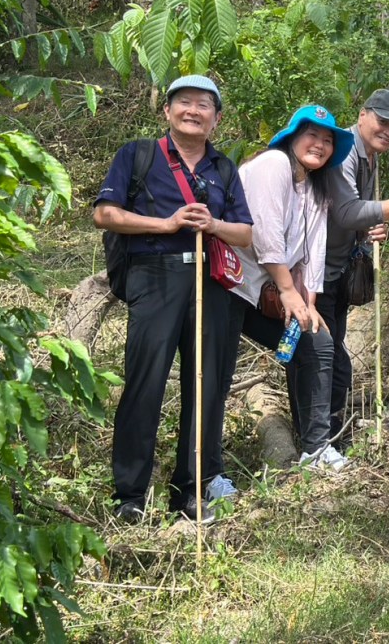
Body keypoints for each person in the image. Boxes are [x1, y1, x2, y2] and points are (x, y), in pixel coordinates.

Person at [94, 75, 254, 524]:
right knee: (145, 381)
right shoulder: (137, 155)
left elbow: (245, 233)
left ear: (216, 118)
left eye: (204, 105)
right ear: (167, 110)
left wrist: (213, 225)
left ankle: (191, 489)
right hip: (155, 276)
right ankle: (130, 495)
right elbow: (104, 214)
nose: (193, 111)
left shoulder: (224, 169)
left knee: (206, 385)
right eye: (184, 102)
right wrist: (166, 224)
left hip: (210, 281)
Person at [228, 105, 355, 471]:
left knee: (318, 342)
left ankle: (316, 448)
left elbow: (314, 252)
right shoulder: (273, 164)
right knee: (217, 368)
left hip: (268, 293)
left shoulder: (315, 189)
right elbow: (265, 232)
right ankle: (207, 469)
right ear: (292, 138)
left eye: (328, 140)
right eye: (311, 135)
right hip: (233, 286)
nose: (320, 145)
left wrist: (308, 303)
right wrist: (287, 290)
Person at [321, 89, 389, 436]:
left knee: (331, 359)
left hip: (337, 272)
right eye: (383, 122)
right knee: (325, 361)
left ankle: (328, 436)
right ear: (362, 115)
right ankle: (317, 440)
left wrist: (370, 231)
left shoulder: (370, 155)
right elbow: (346, 211)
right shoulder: (343, 151)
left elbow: (350, 217)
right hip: (313, 276)